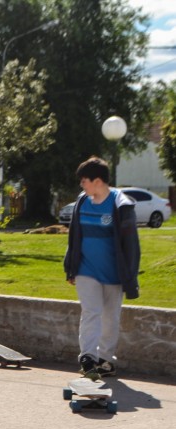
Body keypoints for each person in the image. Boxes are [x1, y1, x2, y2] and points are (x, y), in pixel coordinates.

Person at [64, 156, 140, 379]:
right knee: (91, 312)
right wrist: (71, 267)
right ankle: (87, 358)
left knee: (110, 317)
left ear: (97, 181)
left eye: (84, 180)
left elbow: (131, 246)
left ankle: (105, 360)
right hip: (86, 270)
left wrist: (130, 276)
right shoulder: (82, 202)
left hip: (114, 273)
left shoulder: (121, 205)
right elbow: (74, 238)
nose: (81, 185)